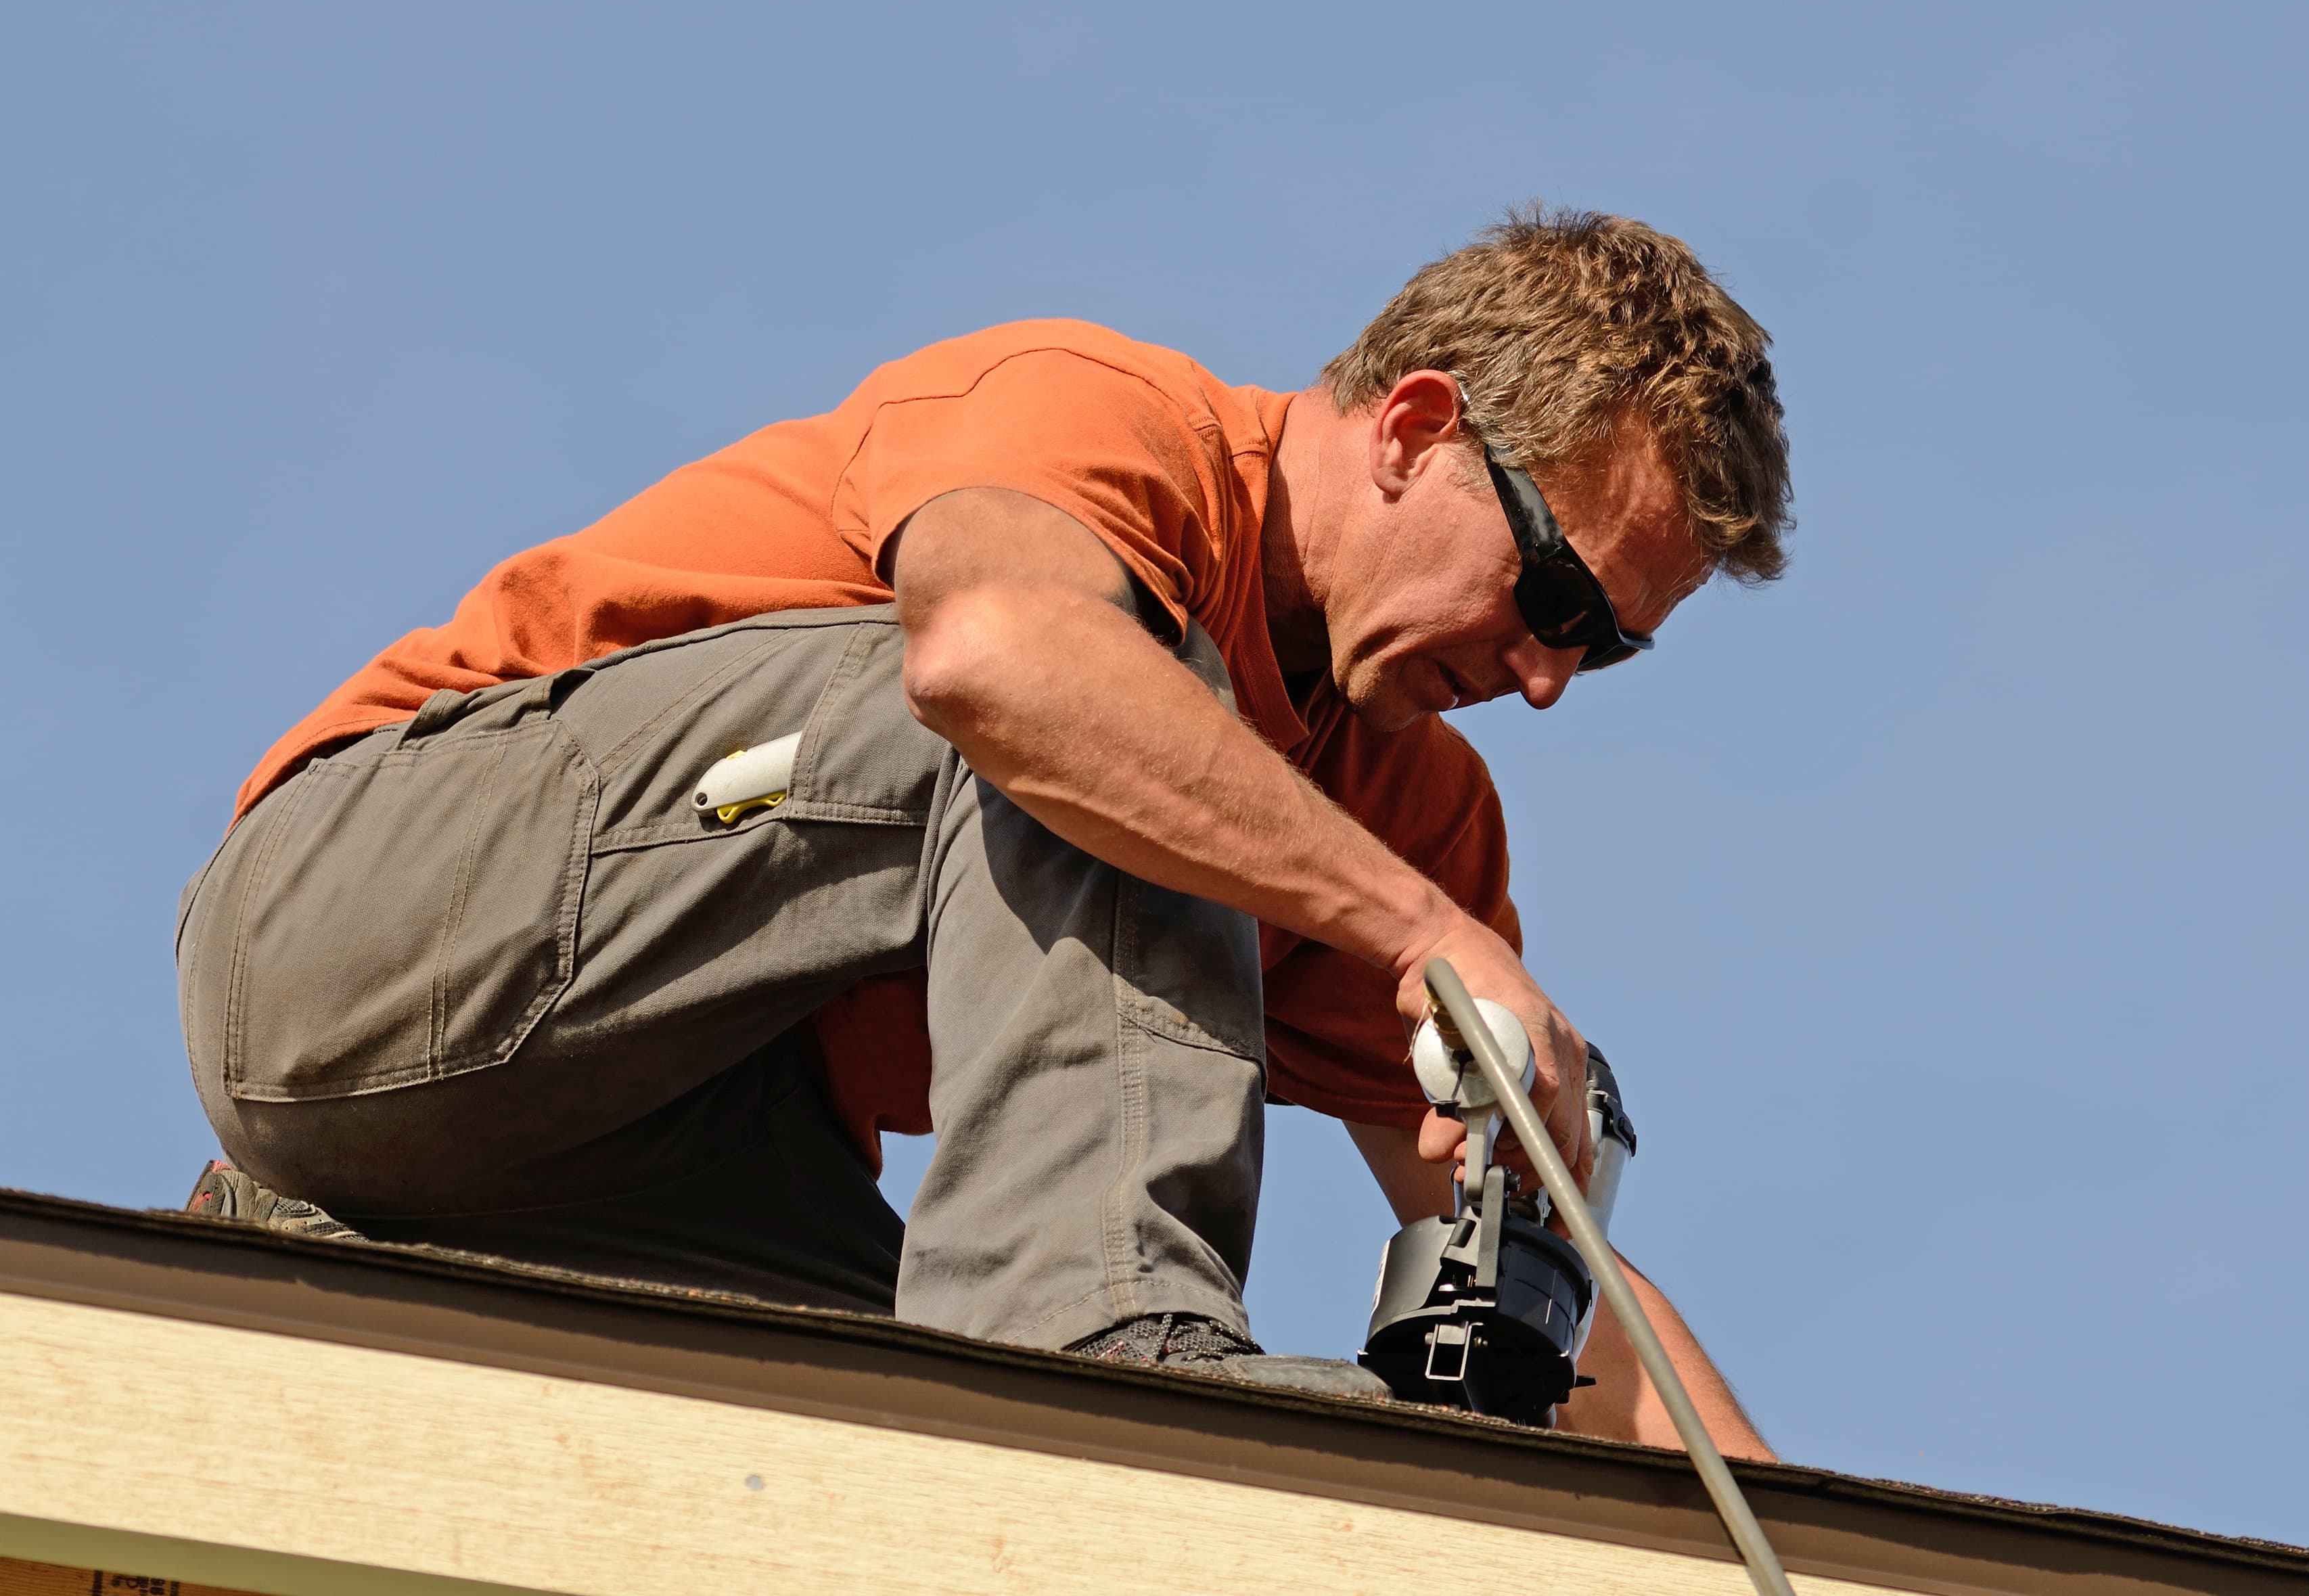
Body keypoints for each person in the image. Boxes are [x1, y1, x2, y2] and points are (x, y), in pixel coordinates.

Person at [175, 206, 1788, 1454]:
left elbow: (1509, 1234)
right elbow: (997, 669)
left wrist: (1808, 1544)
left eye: (1608, 646)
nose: (1549, 676)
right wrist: (1426, 936)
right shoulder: (1106, 421)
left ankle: (349, 1252)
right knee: (1118, 702)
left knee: (881, 1449)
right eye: (1555, 594)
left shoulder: (1412, 804)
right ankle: (1111, 1356)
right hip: (357, 938)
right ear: (1419, 425)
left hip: (651, 1153)